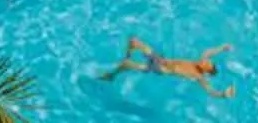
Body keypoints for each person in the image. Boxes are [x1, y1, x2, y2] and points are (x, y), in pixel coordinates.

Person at [99, 38, 235, 97]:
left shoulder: (198, 76)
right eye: (207, 61)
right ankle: (127, 57)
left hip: (158, 69)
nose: (205, 61)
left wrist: (223, 94)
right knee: (133, 41)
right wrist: (223, 47)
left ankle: (111, 76)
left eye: (207, 64)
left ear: (206, 71)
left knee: (125, 65)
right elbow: (209, 52)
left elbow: (210, 91)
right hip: (161, 59)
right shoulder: (200, 61)